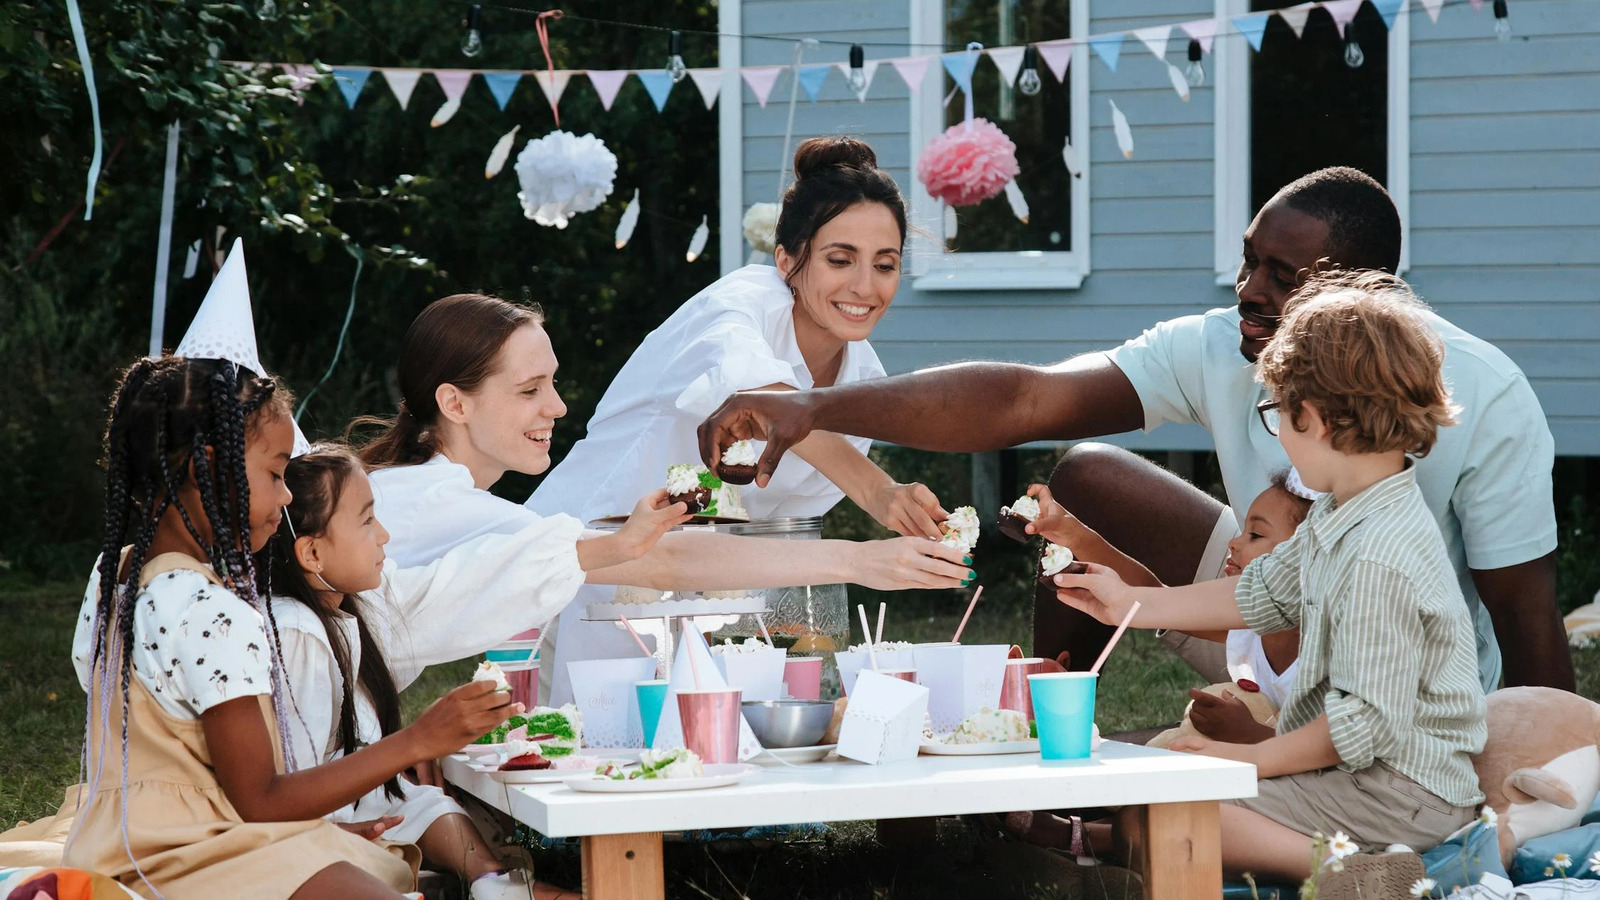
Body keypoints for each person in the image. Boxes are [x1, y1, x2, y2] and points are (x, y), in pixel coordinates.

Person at [696, 166, 1569, 693]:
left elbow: (1527, 622)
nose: (1248, 289)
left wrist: (1545, 782)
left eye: (1281, 274)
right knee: (1085, 476)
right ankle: (1049, 765)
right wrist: (813, 407)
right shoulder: (1224, 345)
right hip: (1270, 616)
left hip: (1398, 673)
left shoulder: (1482, 395)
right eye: (1247, 259)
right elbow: (1025, 401)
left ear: (1360, 292)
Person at [1057, 271, 1487, 880]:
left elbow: (1358, 726)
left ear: (1315, 417)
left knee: (1161, 820)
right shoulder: (1348, 512)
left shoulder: (1377, 554)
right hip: (1370, 778)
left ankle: (1364, 875)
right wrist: (1130, 602)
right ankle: (1349, 864)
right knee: (1151, 814)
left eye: (1277, 412)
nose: (1277, 432)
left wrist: (1242, 760)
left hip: (1400, 797)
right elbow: (1261, 592)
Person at [356, 293, 976, 705]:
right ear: (454, 403)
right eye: (529, 390)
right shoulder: (441, 505)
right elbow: (668, 563)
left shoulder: (427, 492)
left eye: (553, 382)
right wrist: (866, 561)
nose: (558, 406)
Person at [65, 357, 517, 900]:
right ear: (210, 466)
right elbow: (261, 798)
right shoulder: (214, 610)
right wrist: (419, 739)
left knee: (372, 860)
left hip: (112, 838)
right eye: (276, 473)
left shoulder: (114, 574)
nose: (285, 497)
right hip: (190, 857)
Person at [528, 135, 947, 703]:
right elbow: (767, 403)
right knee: (591, 755)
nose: (864, 287)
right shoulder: (739, 304)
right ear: (786, 260)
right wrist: (881, 494)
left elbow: (785, 535)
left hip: (709, 591)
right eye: (839, 260)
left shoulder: (862, 383)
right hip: (583, 565)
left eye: (886, 265)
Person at [267, 446, 593, 900]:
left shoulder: (342, 617)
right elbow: (293, 786)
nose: (383, 537)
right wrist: (419, 740)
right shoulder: (296, 631)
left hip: (348, 806)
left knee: (422, 800)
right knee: (406, 799)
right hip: (306, 830)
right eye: (366, 522)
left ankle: (494, 881)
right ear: (312, 552)